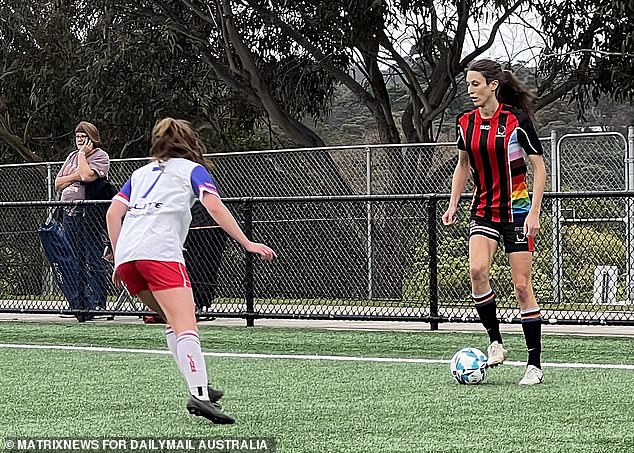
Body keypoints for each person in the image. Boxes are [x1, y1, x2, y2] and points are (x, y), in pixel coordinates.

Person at [106, 118, 276, 424]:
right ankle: (199, 396)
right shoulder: (192, 170)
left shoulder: (139, 173)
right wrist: (247, 242)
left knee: (173, 322)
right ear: (190, 142)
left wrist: (119, 259)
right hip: (160, 255)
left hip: (130, 257)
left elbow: (113, 213)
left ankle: (199, 385)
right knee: (187, 324)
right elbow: (213, 206)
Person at [442, 59, 547, 385]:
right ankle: (496, 342)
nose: (470, 90)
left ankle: (534, 364)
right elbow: (463, 165)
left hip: (516, 211)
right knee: (477, 271)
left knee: (521, 287)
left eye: (475, 84)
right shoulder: (465, 123)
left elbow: (540, 168)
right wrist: (453, 203)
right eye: (468, 85)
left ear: (493, 86)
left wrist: (534, 212)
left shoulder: (517, 121)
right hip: (484, 210)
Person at [55, 121, 110, 321]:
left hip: (89, 212)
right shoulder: (70, 157)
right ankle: (79, 302)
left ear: (92, 138)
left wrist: (81, 158)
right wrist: (75, 175)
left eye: (83, 137)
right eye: (77, 136)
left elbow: (87, 176)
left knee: (92, 256)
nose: (79, 140)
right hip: (69, 212)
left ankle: (99, 302)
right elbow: (58, 183)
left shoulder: (100, 156)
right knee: (73, 258)